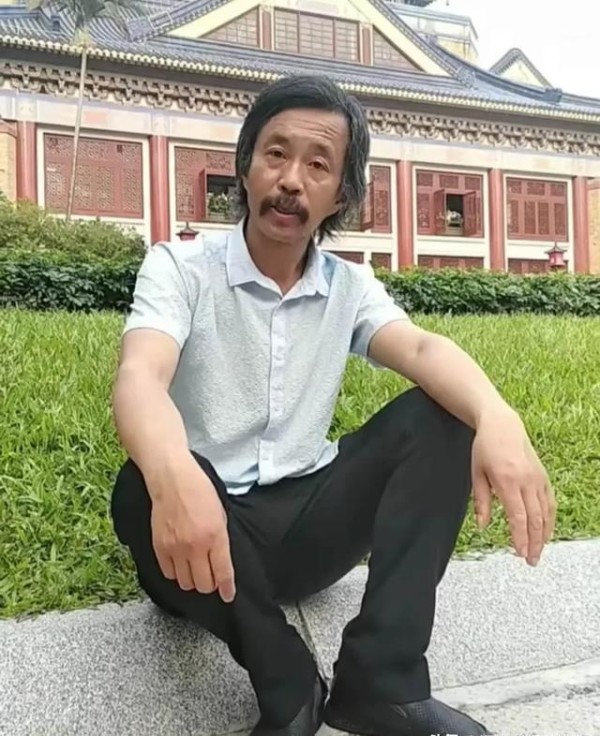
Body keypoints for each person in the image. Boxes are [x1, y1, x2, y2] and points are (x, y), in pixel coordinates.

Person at [110, 74, 556, 736]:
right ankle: (289, 688)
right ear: (245, 167)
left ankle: (381, 684)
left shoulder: (347, 286)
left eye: (318, 165)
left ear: (341, 194)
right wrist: (173, 472)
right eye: (275, 154)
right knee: (138, 487)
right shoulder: (180, 268)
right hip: (198, 541)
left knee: (443, 417)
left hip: (308, 528)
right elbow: (140, 375)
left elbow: (422, 348)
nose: (291, 180)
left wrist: (498, 415)